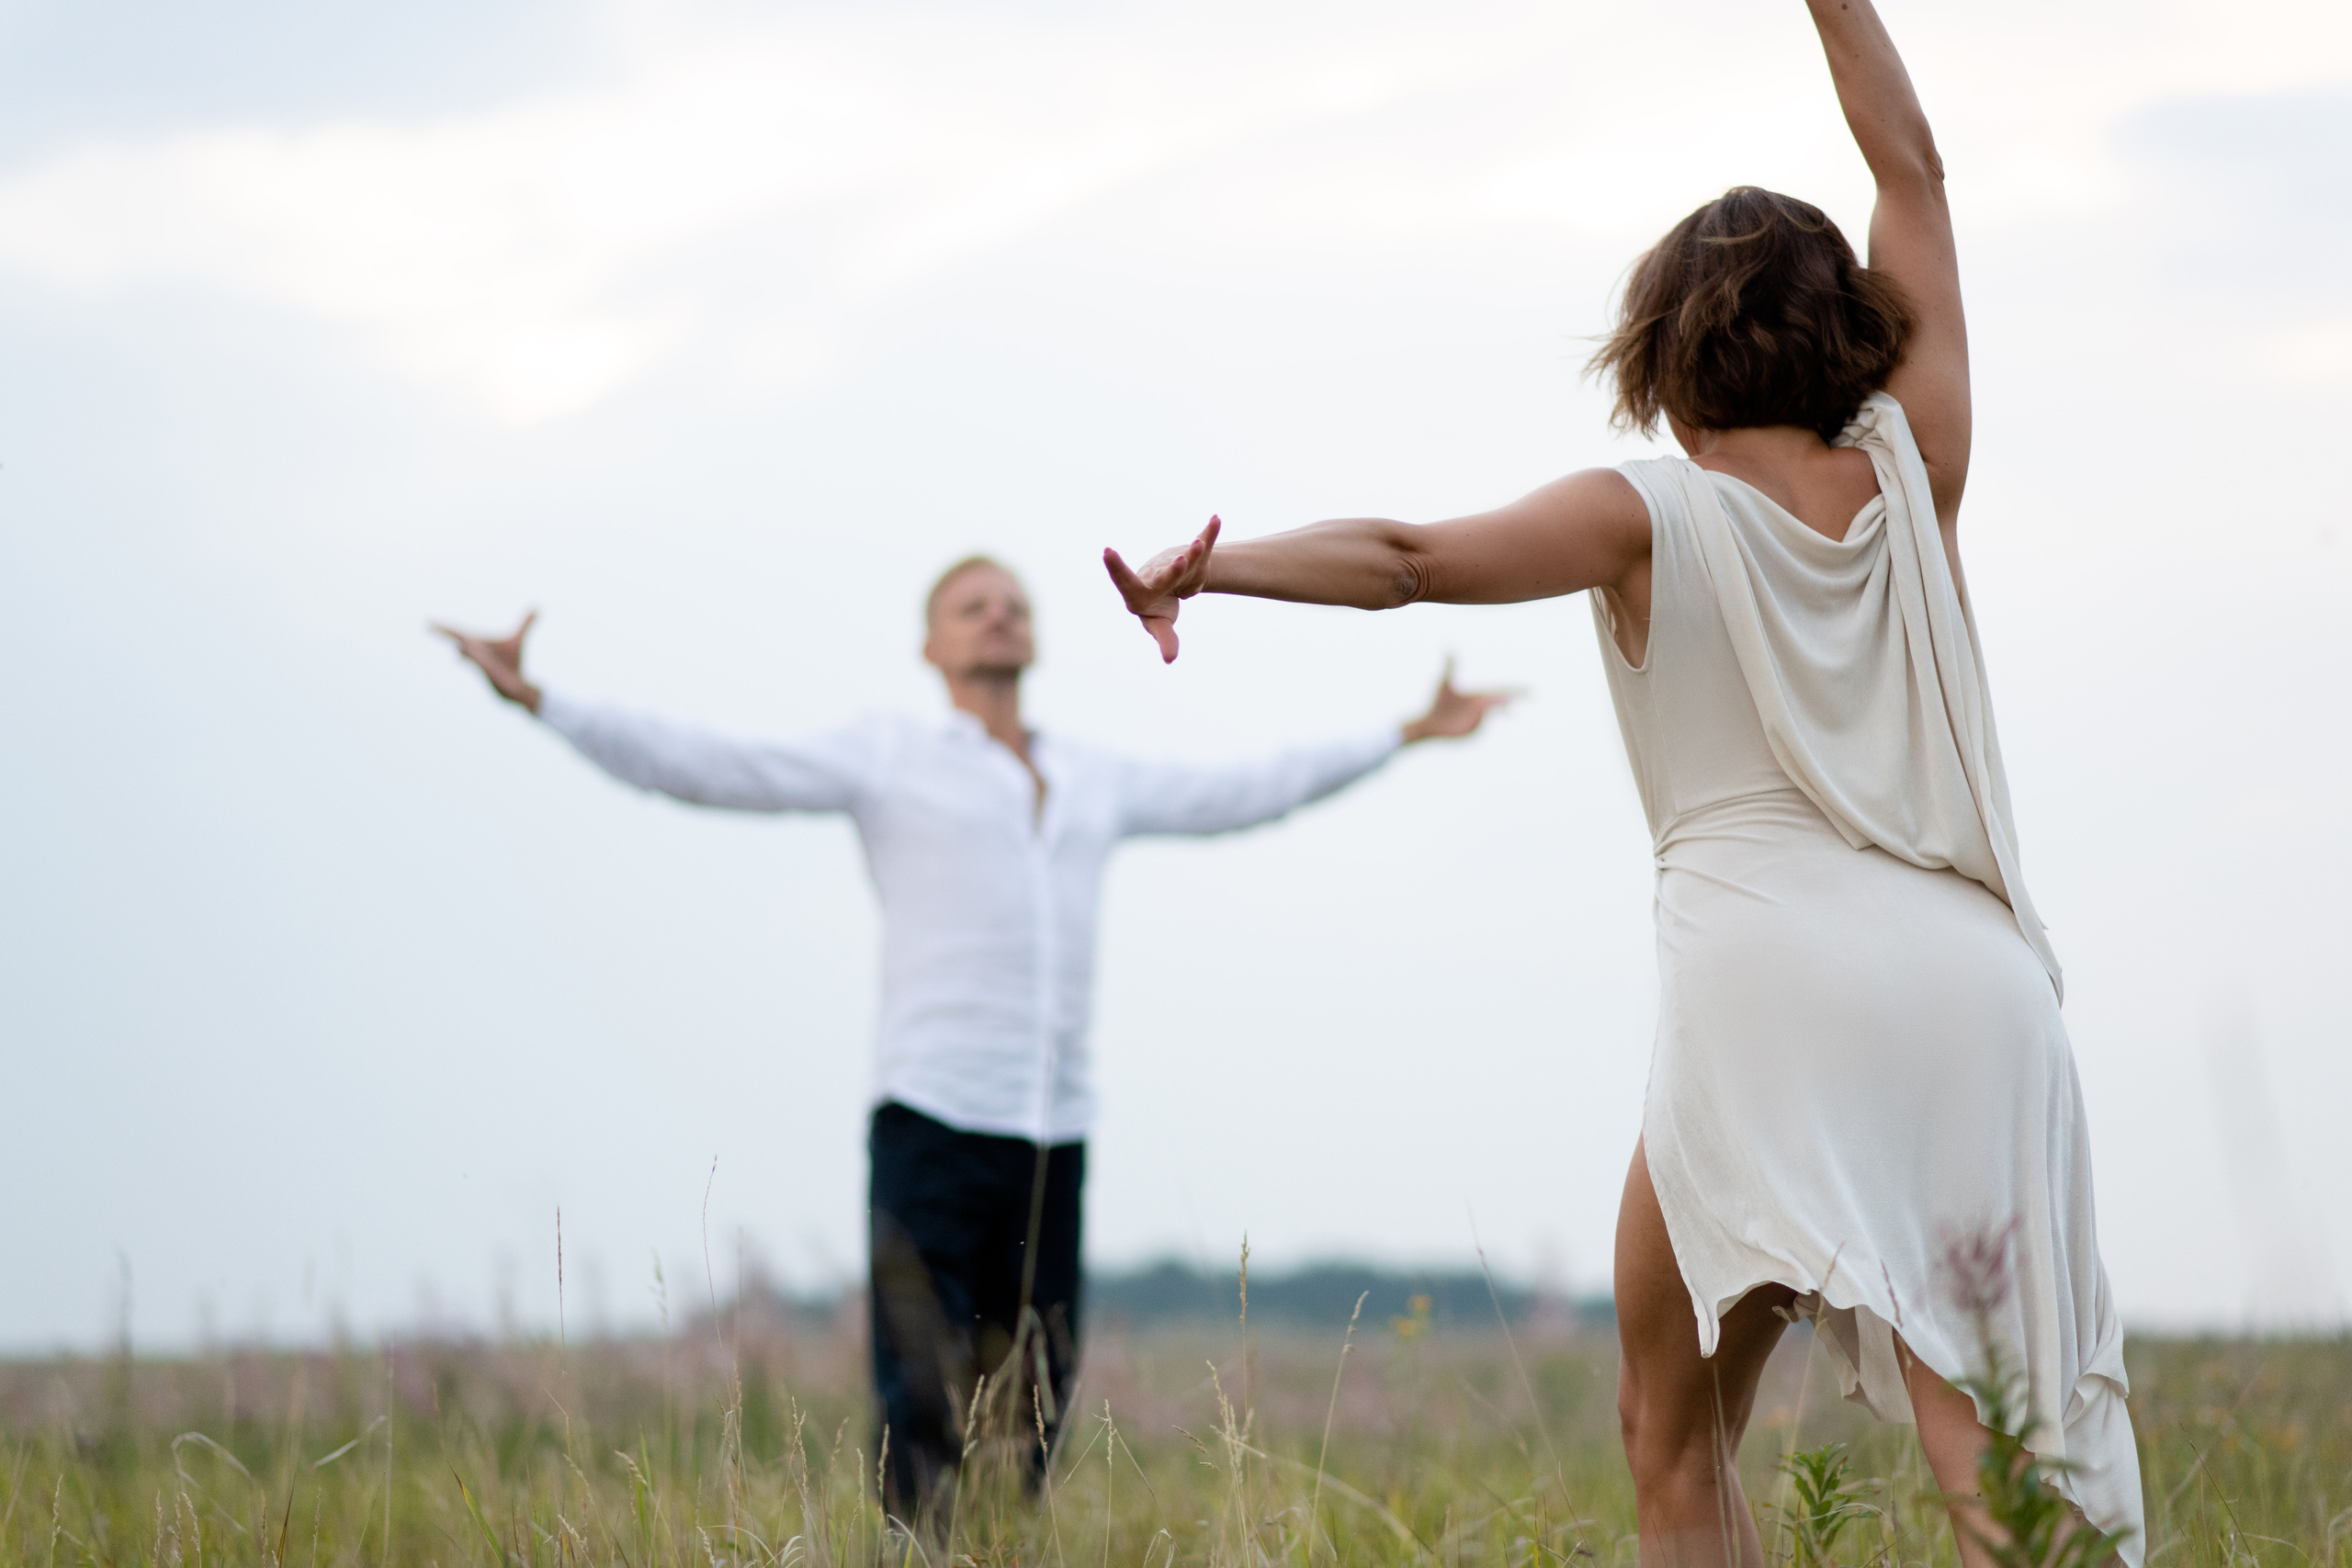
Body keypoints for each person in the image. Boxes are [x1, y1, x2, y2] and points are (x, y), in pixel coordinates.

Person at [1102, 1, 2142, 1561]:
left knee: (1671, 1435)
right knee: (1988, 1457)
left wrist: (1217, 569)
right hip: (1977, 991)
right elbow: (1913, 168)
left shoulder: (1640, 512)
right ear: (1852, 329)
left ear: (1662, 354)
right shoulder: (1917, 470)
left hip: (1764, 980)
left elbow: (1407, 563)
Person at [433, 556, 1508, 1524]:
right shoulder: (891, 756)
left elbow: (1240, 793)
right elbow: (713, 765)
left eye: (1014, 606)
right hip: (931, 1118)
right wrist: (542, 700)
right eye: (971, 606)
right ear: (932, 645)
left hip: (1053, 1130)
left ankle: (996, 1554)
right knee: (921, 1389)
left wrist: (1401, 734)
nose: (998, 618)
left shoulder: (1091, 775)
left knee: (1033, 1401)